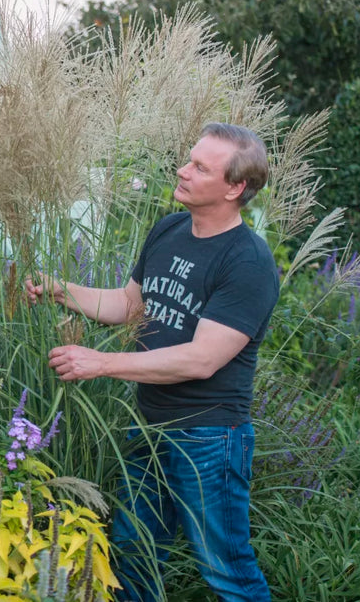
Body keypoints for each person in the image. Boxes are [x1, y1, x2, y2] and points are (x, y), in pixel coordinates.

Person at [25, 123, 278, 602]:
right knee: (134, 553)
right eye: (189, 159)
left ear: (235, 187)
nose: (182, 171)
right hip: (150, 427)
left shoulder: (248, 262)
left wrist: (100, 362)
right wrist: (61, 290)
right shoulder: (169, 228)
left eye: (200, 167)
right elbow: (129, 305)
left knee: (227, 570)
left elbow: (202, 360)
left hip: (209, 439)